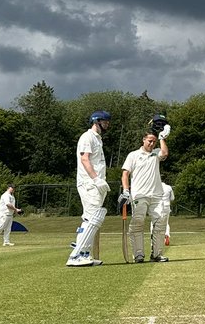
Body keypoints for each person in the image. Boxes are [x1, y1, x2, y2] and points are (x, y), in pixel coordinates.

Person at [120, 124, 170, 263]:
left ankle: (157, 254)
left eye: (154, 141)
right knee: (137, 223)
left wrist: (162, 137)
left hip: (156, 195)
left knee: (161, 222)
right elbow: (125, 174)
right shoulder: (133, 155)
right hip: (139, 195)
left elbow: (165, 153)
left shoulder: (156, 153)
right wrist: (126, 191)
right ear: (143, 140)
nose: (152, 144)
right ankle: (138, 255)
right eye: (149, 141)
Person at [68, 111, 111, 267]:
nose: (107, 125)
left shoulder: (97, 139)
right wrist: (96, 179)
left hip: (95, 183)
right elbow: (84, 159)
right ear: (96, 121)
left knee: (91, 218)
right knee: (92, 218)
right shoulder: (87, 137)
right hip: (89, 183)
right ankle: (75, 256)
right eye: (105, 122)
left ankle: (85, 254)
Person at [0, 182, 22, 247]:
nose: (13, 189)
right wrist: (16, 209)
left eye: (14, 188)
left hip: (9, 214)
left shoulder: (12, 196)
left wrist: (15, 211)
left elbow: (12, 205)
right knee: (1, 226)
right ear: (9, 188)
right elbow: (8, 204)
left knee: (8, 228)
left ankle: (6, 241)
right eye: (12, 188)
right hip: (3, 213)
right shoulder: (6, 195)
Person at [160, 181, 174, 247]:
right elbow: (172, 198)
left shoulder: (155, 187)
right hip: (166, 206)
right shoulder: (169, 187)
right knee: (166, 222)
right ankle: (167, 234)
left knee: (156, 223)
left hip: (158, 206)